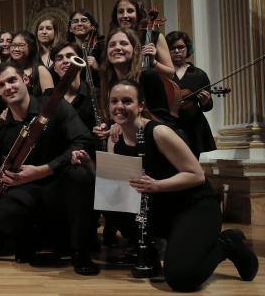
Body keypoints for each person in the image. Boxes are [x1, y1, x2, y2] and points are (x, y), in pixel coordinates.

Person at [73, 80, 258, 291]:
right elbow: (116, 187)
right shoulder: (114, 138)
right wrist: (89, 164)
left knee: (181, 277)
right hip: (160, 211)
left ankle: (228, 243)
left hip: (193, 206)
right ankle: (150, 251)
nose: (119, 106)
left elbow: (196, 175)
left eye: (127, 101)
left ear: (140, 105)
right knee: (112, 203)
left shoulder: (159, 132)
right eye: (114, 101)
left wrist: (157, 185)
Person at [0, 61, 98, 275]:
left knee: (80, 175)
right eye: (1, 84)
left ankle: (80, 251)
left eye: (12, 80)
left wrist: (45, 169)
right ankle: (34, 243)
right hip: (27, 192)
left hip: (59, 185)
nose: (8, 87)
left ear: (25, 80)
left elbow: (83, 140)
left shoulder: (54, 105)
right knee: (6, 211)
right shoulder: (1, 127)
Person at [97, 27, 175, 128]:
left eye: (124, 43)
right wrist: (106, 128)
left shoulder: (148, 76)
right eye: (112, 45)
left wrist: (124, 125)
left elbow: (164, 120)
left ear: (135, 50)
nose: (117, 47)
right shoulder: (106, 80)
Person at [167, 31, 217, 157]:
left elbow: (208, 106)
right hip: (170, 126)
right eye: (173, 48)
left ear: (187, 48)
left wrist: (205, 101)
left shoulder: (198, 74)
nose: (177, 51)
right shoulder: (163, 74)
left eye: (181, 47)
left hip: (194, 127)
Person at [109, 0, 175, 77]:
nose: (125, 15)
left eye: (130, 11)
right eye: (121, 11)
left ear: (138, 14)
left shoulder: (155, 37)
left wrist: (153, 62)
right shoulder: (112, 39)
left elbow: (171, 74)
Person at [9, 31, 54, 96]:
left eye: (21, 45)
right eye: (13, 45)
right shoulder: (8, 69)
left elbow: (50, 100)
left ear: (31, 47)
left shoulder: (40, 70)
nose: (16, 49)